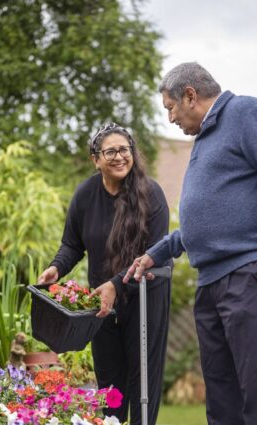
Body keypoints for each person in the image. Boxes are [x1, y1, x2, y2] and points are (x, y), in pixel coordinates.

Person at [123, 62, 257, 425]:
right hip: (211, 281)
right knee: (222, 396)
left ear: (190, 95)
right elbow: (207, 222)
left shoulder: (246, 113)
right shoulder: (206, 138)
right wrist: (158, 251)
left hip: (250, 273)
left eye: (170, 108)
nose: (171, 118)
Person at [37, 123, 171, 425]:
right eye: (110, 151)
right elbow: (72, 244)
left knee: (142, 384)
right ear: (96, 159)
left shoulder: (152, 194)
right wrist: (56, 268)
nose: (119, 156)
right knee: (110, 385)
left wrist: (115, 284)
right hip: (103, 303)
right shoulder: (85, 195)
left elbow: (155, 253)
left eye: (125, 149)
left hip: (146, 298)